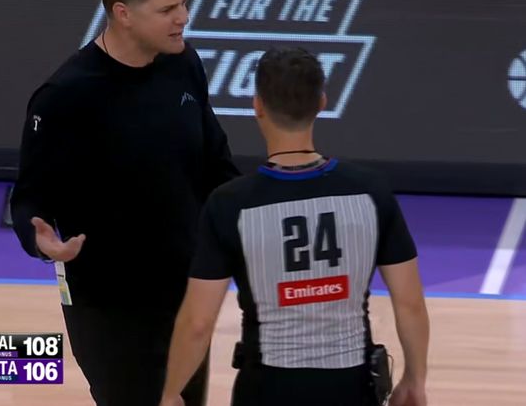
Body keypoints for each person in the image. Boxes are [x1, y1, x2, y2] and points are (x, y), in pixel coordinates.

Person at [10, 0, 239, 406]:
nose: (183, 18)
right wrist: (41, 240)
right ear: (123, 13)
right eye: (168, 9)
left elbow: (215, 162)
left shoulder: (184, 65)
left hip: (185, 291)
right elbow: (30, 198)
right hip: (107, 304)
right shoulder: (66, 96)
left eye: (184, 3)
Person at [159, 48, 430, 406]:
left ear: (257, 105)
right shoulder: (370, 191)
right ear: (321, 102)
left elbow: (198, 321)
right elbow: (409, 303)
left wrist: (170, 394)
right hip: (351, 387)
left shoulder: (230, 204)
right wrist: (414, 379)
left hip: (266, 388)